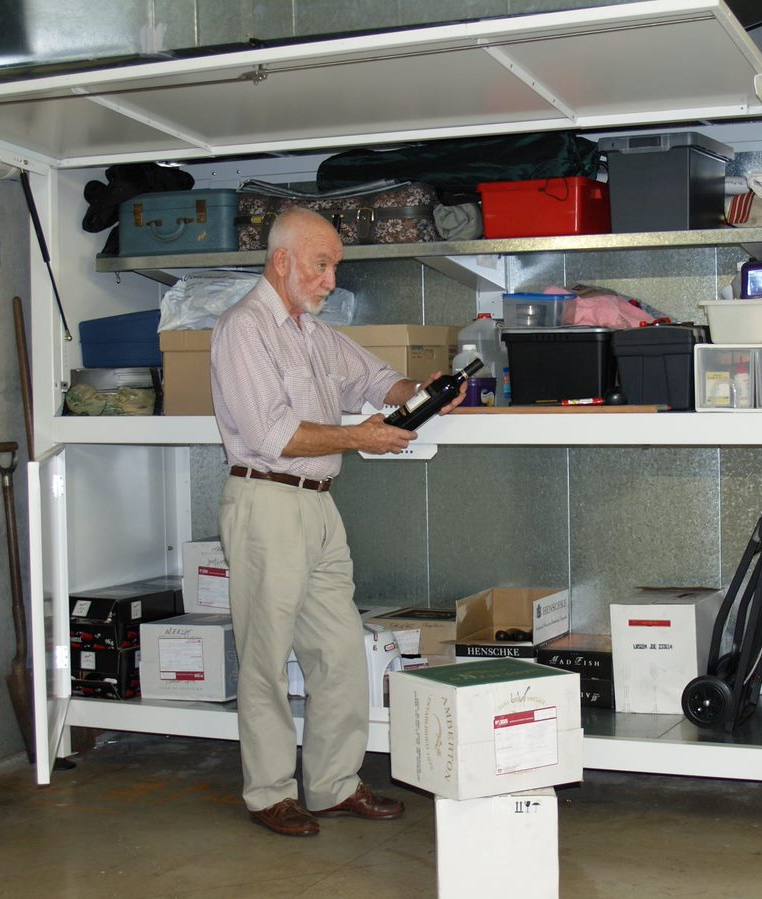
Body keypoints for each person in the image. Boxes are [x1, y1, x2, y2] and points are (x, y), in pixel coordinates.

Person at [210, 207, 466, 836]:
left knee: (341, 652)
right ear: (282, 261)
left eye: (334, 267)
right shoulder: (244, 331)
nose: (330, 280)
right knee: (266, 658)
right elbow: (272, 433)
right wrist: (361, 437)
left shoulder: (312, 334)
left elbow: (375, 378)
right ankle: (268, 792)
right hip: (266, 500)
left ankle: (331, 785)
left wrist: (422, 389)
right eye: (321, 265)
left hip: (319, 503)